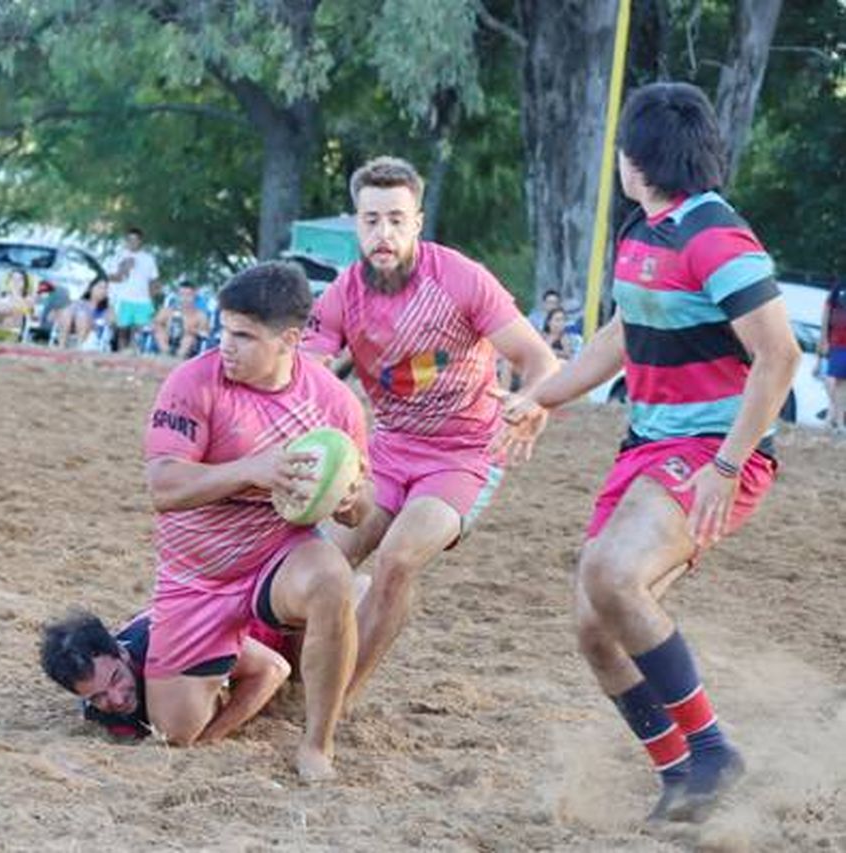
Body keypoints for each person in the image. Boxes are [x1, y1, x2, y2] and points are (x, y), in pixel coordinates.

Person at [496, 83, 798, 822]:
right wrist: (546, 395)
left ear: (635, 159)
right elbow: (622, 333)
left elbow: (780, 357)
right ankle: (680, 774)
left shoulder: (716, 239)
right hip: (648, 445)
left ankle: (714, 750)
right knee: (593, 624)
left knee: (612, 573)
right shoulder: (642, 231)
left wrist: (728, 464)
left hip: (713, 450)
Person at [302, 156, 559, 713]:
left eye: (396, 219)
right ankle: (288, 672)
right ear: (355, 224)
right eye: (371, 220)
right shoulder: (344, 292)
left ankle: (337, 701)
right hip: (388, 451)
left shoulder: (461, 279)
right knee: (318, 563)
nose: (383, 233)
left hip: (465, 455)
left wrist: (530, 404)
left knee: (396, 561)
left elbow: (540, 361)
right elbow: (307, 371)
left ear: (418, 220)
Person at [143, 260, 371, 781]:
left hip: (277, 557)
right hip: (195, 574)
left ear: (289, 339)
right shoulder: (193, 382)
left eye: (244, 336)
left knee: (330, 578)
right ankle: (266, 658)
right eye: (225, 329)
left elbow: (361, 511)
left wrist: (347, 496)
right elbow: (163, 488)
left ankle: (318, 744)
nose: (226, 346)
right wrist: (253, 470)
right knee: (176, 730)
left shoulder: (334, 403)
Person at [41, 610, 292, 742]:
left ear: (121, 652)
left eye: (116, 679)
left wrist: (212, 737)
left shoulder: (170, 648)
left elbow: (273, 669)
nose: (116, 699)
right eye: (97, 696)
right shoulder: (95, 711)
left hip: (278, 628)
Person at [108, 227, 159, 352]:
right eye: (130, 240)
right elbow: (112, 278)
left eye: (135, 240)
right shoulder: (118, 256)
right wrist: (124, 268)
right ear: (126, 241)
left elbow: (153, 281)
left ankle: (134, 356)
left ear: (140, 241)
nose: (132, 242)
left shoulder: (148, 259)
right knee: (122, 331)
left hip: (142, 300)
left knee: (138, 332)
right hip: (124, 299)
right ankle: (120, 355)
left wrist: (152, 300)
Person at [152, 281, 210, 358]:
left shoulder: (200, 315)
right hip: (167, 339)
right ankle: (166, 355)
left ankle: (178, 358)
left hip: (188, 343)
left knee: (189, 338)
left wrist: (192, 330)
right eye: (181, 295)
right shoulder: (168, 311)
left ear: (194, 296)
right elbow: (155, 323)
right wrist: (162, 328)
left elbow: (205, 333)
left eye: (188, 295)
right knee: (160, 333)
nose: (185, 298)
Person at [820, 278, 846, 431]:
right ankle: (834, 417)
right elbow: (826, 313)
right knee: (832, 381)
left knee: (842, 384)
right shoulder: (840, 286)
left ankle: (835, 421)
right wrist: (823, 339)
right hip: (837, 343)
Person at [66, 279, 112, 351]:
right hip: (75, 332)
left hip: (93, 336)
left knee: (83, 317)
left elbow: (111, 321)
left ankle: (78, 347)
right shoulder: (80, 303)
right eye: (100, 287)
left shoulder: (107, 308)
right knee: (75, 313)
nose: (103, 291)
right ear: (91, 289)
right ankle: (65, 345)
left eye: (105, 288)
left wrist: (93, 321)